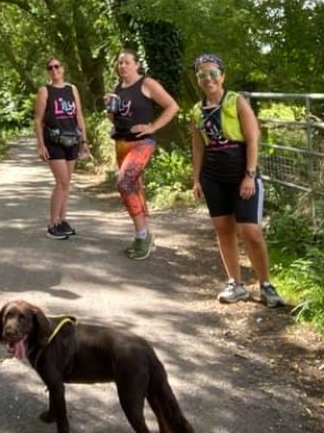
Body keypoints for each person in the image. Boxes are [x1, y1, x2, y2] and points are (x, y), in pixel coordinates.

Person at [190, 53, 286, 307]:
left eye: (212, 73)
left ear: (222, 76)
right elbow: (198, 148)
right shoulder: (197, 111)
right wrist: (196, 180)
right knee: (224, 231)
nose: (207, 79)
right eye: (202, 74)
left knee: (250, 232)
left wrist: (250, 175)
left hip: (241, 174)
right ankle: (235, 283)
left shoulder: (236, 101)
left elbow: (253, 138)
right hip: (213, 177)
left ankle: (266, 284)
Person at [105, 49, 179, 260]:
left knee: (124, 182)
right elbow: (113, 118)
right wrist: (109, 108)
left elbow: (172, 106)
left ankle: (142, 236)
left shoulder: (147, 84)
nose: (123, 66)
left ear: (136, 65)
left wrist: (153, 127)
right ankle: (143, 235)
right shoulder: (117, 88)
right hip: (121, 142)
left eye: (127, 62)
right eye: (120, 63)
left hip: (142, 142)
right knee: (134, 187)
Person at [34, 56, 89, 239]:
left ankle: (62, 220)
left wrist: (84, 142)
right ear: (47, 71)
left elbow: (79, 115)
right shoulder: (45, 91)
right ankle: (52, 224)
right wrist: (41, 145)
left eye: (57, 66)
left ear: (63, 68)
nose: (54, 70)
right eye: (50, 68)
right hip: (54, 142)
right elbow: (38, 120)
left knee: (67, 184)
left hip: (72, 140)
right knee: (62, 182)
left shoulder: (71, 89)